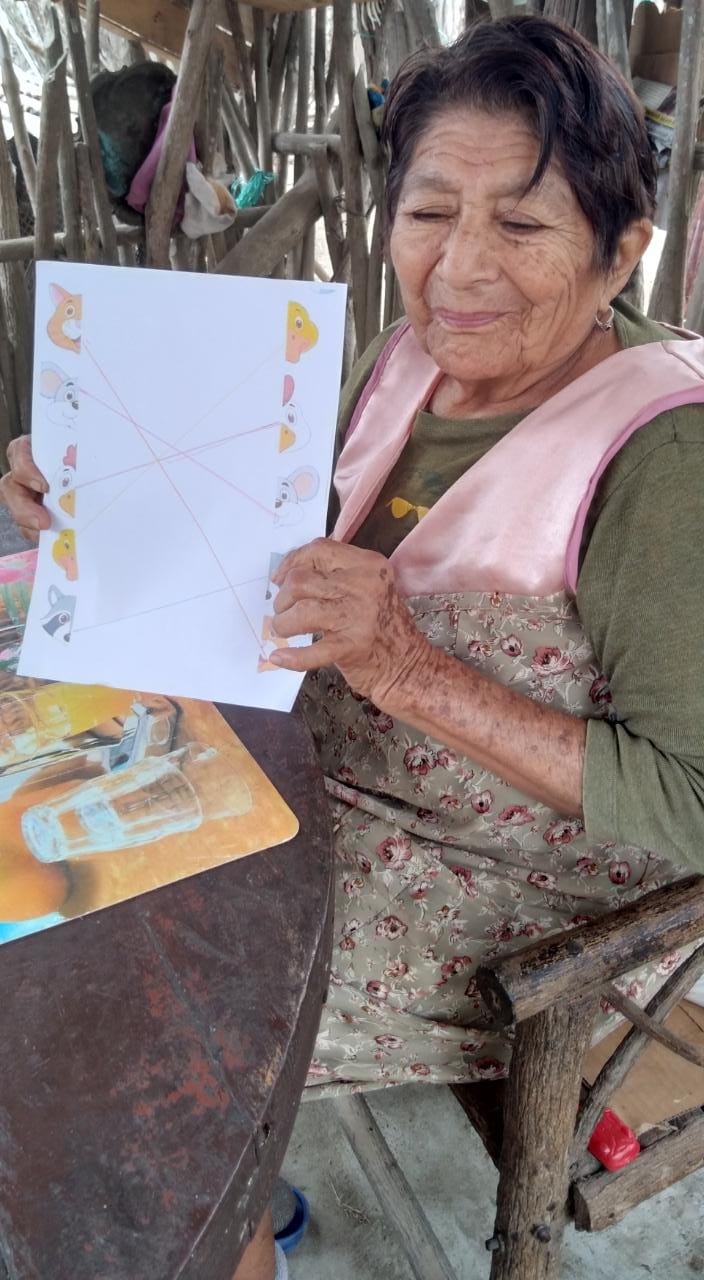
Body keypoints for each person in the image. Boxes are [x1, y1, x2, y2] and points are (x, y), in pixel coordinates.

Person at [4, 17, 704, 1280]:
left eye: (522, 224)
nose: (460, 266)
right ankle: (222, 1189)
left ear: (621, 251)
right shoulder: (405, 358)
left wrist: (403, 668)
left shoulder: (669, 458)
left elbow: (694, 802)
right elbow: (275, 530)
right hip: (310, 763)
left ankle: (203, 1206)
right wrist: (97, 483)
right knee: (40, 887)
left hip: (497, 890)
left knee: (125, 1037)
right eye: (429, 212)